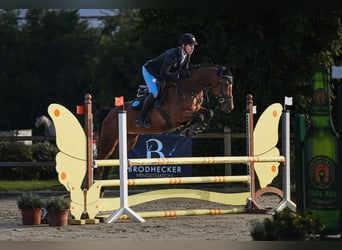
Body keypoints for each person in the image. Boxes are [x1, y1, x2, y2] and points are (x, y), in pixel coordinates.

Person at [136, 33, 199, 128]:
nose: (192, 48)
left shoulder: (187, 55)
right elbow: (163, 74)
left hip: (163, 74)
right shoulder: (171, 55)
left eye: (193, 46)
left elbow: (183, 71)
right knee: (155, 92)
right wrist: (178, 75)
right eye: (190, 45)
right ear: (183, 45)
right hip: (151, 72)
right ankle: (141, 118)